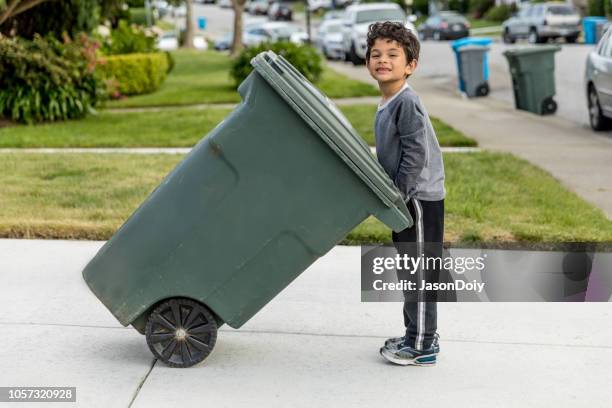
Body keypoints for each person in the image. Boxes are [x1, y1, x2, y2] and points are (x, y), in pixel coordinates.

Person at [366, 21, 446, 366]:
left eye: (392, 55)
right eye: (375, 54)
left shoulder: (406, 102)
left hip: (419, 198)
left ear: (410, 65)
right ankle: (414, 333)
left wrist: (399, 194)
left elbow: (416, 154)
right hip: (405, 197)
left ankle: (424, 344)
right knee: (409, 270)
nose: (382, 60)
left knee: (421, 270)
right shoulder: (388, 101)